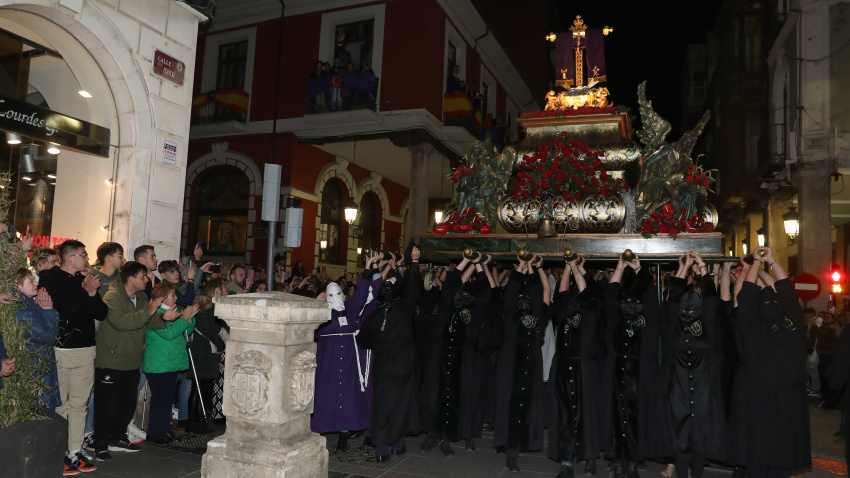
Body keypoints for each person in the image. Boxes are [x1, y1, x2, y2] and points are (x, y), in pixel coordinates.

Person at [732, 247, 811, 478]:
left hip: (787, 405)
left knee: (781, 464)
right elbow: (743, 296)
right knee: (758, 462)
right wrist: (755, 265)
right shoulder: (751, 323)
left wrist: (767, 261)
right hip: (760, 405)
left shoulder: (791, 319)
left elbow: (783, 287)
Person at [93, 261, 179, 462]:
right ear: (131, 279)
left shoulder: (140, 297)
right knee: (107, 405)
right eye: (143, 276)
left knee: (126, 404)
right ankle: (100, 444)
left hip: (132, 359)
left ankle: (118, 438)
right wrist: (148, 312)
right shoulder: (112, 296)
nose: (147, 279)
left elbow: (148, 321)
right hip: (112, 359)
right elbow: (123, 322)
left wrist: (164, 318)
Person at [38, 240, 108, 468]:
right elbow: (63, 312)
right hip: (61, 349)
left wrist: (93, 292)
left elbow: (102, 313)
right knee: (60, 406)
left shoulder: (83, 280)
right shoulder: (49, 278)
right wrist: (84, 291)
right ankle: (58, 453)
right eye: (84, 254)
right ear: (70, 257)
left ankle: (75, 450)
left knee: (80, 404)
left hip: (86, 349)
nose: (87, 259)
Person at [356, 243, 422, 462]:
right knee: (401, 404)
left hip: (383, 367)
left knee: (382, 407)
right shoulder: (403, 311)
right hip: (403, 367)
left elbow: (362, 341)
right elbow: (414, 289)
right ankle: (398, 445)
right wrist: (413, 262)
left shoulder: (373, 317)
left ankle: (382, 450)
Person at [664, 251, 727, 478]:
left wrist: (702, 268)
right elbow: (672, 300)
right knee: (680, 435)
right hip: (678, 391)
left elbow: (711, 300)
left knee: (701, 435)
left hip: (704, 390)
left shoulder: (708, 326)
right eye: (684, 310)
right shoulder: (674, 327)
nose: (688, 313)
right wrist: (684, 268)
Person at [601, 252, 663, 478]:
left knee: (637, 417)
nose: (630, 304)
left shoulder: (648, 320)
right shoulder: (615, 318)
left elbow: (650, 298)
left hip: (640, 373)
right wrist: (619, 266)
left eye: (634, 301)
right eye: (625, 301)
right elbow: (610, 294)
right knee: (616, 418)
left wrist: (638, 269)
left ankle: (633, 461)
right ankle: (618, 460)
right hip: (616, 370)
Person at [311, 251, 380, 450]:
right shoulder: (321, 314)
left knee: (348, 398)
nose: (336, 298)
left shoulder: (350, 310)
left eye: (338, 294)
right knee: (327, 396)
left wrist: (367, 267)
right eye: (331, 295)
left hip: (349, 362)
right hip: (328, 363)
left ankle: (343, 435)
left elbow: (360, 295)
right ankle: (320, 430)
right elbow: (308, 326)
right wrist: (316, 303)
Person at [494, 253, 549, 472]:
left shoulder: (540, 312)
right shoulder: (510, 308)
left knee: (525, 404)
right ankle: (509, 449)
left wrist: (535, 268)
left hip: (530, 358)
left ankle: (516, 447)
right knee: (508, 400)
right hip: (510, 355)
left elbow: (544, 292)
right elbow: (509, 294)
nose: (522, 299)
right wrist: (519, 269)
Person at [548, 254, 601, 478]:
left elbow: (585, 289)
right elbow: (561, 292)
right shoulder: (565, 306)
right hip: (563, 365)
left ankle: (590, 459)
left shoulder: (592, 306)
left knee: (586, 413)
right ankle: (567, 461)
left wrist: (575, 266)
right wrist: (568, 267)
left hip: (584, 367)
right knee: (565, 415)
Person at [142, 282, 198, 444]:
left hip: (170, 363)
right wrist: (185, 318)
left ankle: (164, 430)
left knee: (166, 400)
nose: (176, 297)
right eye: (173, 295)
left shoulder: (172, 312)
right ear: (163, 298)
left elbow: (187, 331)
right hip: (159, 363)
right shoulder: (156, 314)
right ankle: (154, 432)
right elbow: (170, 333)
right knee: (160, 399)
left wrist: (190, 318)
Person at [186, 279, 227, 433]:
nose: (219, 295)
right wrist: (222, 346)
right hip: (201, 353)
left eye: (220, 292)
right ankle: (194, 421)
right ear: (209, 293)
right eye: (216, 293)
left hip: (205, 353)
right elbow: (209, 331)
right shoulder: (207, 310)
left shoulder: (211, 310)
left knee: (202, 388)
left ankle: (200, 420)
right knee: (198, 388)